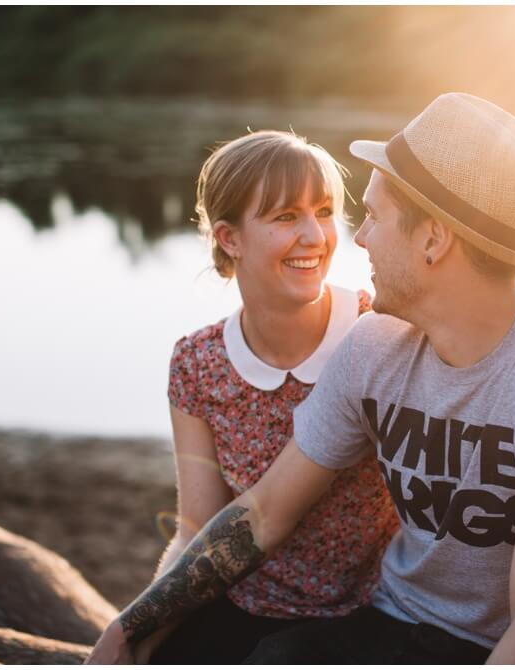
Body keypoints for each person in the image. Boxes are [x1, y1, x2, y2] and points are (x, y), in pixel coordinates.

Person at [86, 93, 515, 665]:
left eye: (375, 217)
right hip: (389, 627)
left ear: (434, 239)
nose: (356, 240)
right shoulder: (375, 343)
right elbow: (264, 514)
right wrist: (132, 628)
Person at [130, 130, 399, 664]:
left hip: (368, 615)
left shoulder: (380, 331)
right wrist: (135, 627)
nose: (315, 236)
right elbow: (195, 530)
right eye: (284, 217)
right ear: (230, 238)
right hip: (238, 604)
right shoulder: (198, 364)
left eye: (323, 212)